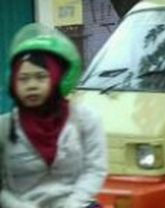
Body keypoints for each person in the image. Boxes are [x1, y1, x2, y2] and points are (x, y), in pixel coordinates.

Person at [1, 24, 106, 208]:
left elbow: (95, 169)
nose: (31, 85)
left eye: (41, 77)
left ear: (57, 78)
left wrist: (73, 204)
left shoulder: (85, 119)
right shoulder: (4, 128)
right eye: (23, 78)